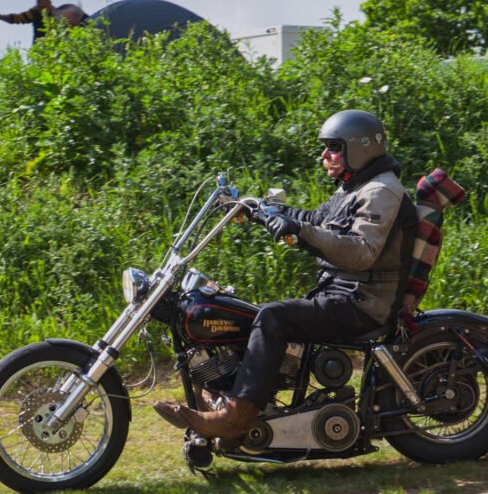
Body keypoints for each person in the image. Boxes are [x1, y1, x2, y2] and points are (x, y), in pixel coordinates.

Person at [154, 110, 418, 441]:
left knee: (273, 317)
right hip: (337, 295)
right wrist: (260, 212)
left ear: (358, 147)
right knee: (241, 314)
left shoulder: (381, 191)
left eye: (333, 147)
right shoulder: (353, 188)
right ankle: (221, 393)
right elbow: (314, 218)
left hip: (362, 304)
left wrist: (300, 231)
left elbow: (360, 252)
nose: (325, 155)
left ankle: (235, 418)